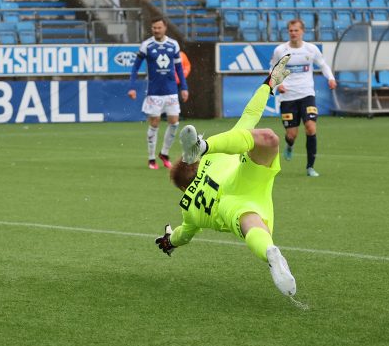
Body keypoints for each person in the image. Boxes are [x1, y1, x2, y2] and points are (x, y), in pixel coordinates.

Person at [155, 56, 297, 297]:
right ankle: (204, 145)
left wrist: (169, 241)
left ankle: (270, 253)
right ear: (195, 164)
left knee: (252, 226)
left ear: (183, 188)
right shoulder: (211, 161)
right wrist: (268, 85)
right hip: (244, 178)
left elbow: (183, 235)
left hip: (232, 206)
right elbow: (250, 114)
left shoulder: (188, 209)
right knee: (268, 138)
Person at [270, 19, 336, 177]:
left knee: (311, 127)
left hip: (307, 94)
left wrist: (331, 78)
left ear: (302, 32)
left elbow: (323, 65)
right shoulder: (281, 50)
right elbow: (273, 69)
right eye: (291, 30)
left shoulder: (311, 49)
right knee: (291, 134)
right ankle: (290, 145)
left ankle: (310, 167)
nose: (293, 33)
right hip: (288, 97)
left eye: (296, 30)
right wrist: (278, 84)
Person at [128, 18, 189, 170]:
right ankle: (151, 158)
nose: (156, 30)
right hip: (154, 92)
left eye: (159, 27)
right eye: (154, 28)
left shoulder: (173, 44)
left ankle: (164, 154)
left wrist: (184, 87)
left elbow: (179, 69)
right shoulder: (147, 45)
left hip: (171, 91)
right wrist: (132, 87)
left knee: (174, 123)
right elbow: (135, 67)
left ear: (165, 28)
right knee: (154, 123)